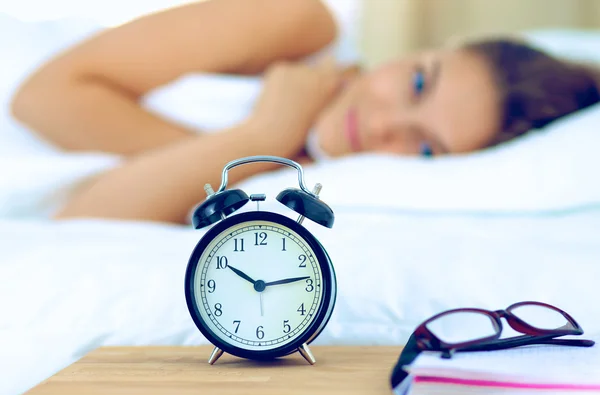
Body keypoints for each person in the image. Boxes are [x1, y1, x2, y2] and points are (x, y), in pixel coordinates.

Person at [9, 0, 600, 225]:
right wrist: (255, 146)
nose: (382, 124)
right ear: (414, 52)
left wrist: (264, 137)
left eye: (424, 148)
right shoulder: (302, 26)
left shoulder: (289, 179)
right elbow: (43, 95)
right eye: (416, 82)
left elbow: (83, 217)